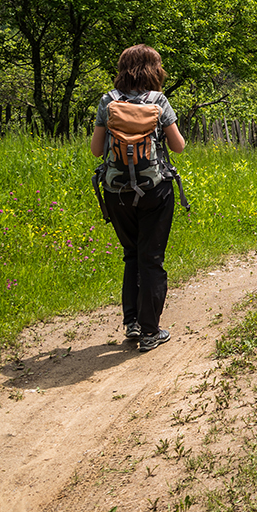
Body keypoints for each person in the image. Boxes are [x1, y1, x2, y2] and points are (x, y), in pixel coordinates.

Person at [90, 44, 186, 352]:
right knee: (151, 258)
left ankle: (132, 324)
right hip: (154, 190)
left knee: (131, 255)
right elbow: (178, 146)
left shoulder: (108, 100)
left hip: (116, 192)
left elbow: (96, 149)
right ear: (153, 70)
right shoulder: (158, 101)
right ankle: (150, 332)